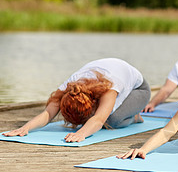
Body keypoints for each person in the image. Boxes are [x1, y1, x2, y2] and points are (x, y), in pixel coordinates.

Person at [2, 58, 150, 142]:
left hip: (139, 91)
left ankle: (135, 117)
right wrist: (25, 128)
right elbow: (48, 112)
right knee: (99, 119)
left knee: (111, 120)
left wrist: (82, 133)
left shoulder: (110, 88)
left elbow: (98, 119)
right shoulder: (70, 86)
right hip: (104, 86)